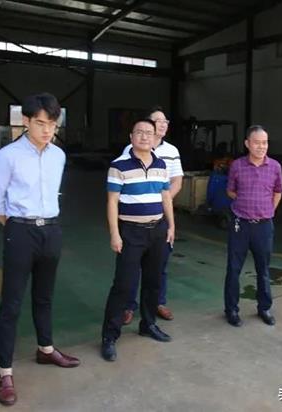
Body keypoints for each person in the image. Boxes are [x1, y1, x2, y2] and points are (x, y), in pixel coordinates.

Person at [0, 93, 80, 406]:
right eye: (40, 123)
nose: (47, 130)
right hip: (21, 231)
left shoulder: (58, 156)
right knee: (11, 303)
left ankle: (46, 349)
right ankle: (4, 373)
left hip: (51, 230)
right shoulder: (8, 156)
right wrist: (17, 227)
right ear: (26, 121)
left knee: (44, 296)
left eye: (52, 124)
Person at [101, 118, 175, 362]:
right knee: (123, 285)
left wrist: (171, 225)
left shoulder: (161, 164)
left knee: (154, 282)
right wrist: (115, 233)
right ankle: (110, 336)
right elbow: (112, 201)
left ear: (155, 138)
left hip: (158, 231)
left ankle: (148, 324)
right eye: (140, 132)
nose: (144, 136)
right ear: (131, 137)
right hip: (131, 232)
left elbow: (166, 196)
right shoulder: (118, 166)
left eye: (149, 133)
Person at [121, 107, 183, 325]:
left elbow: (176, 181)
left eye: (166, 121)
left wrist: (161, 203)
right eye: (158, 121)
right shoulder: (131, 149)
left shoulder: (172, 151)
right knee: (132, 265)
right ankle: (128, 306)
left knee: (159, 264)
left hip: (160, 216)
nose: (163, 124)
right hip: (135, 220)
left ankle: (157, 302)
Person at [224, 125, 282, 327]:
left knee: (263, 269)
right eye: (257, 142)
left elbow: (278, 191)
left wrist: (269, 210)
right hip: (240, 225)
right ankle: (232, 310)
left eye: (264, 143)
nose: (261, 146)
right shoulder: (237, 166)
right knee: (234, 269)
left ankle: (264, 308)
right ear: (247, 144)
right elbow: (230, 191)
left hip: (264, 226)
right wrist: (244, 200)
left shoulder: (275, 167)